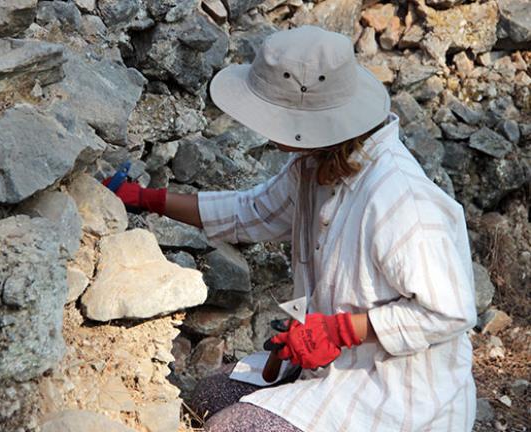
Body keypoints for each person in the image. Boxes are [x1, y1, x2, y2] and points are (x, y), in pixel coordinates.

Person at [106, 26, 477, 432]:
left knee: (229, 429)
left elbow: (450, 311)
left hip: (393, 394)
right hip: (330, 372)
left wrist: (341, 330)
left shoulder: (401, 200)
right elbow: (251, 212)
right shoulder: (317, 165)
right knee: (206, 399)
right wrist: (146, 199)